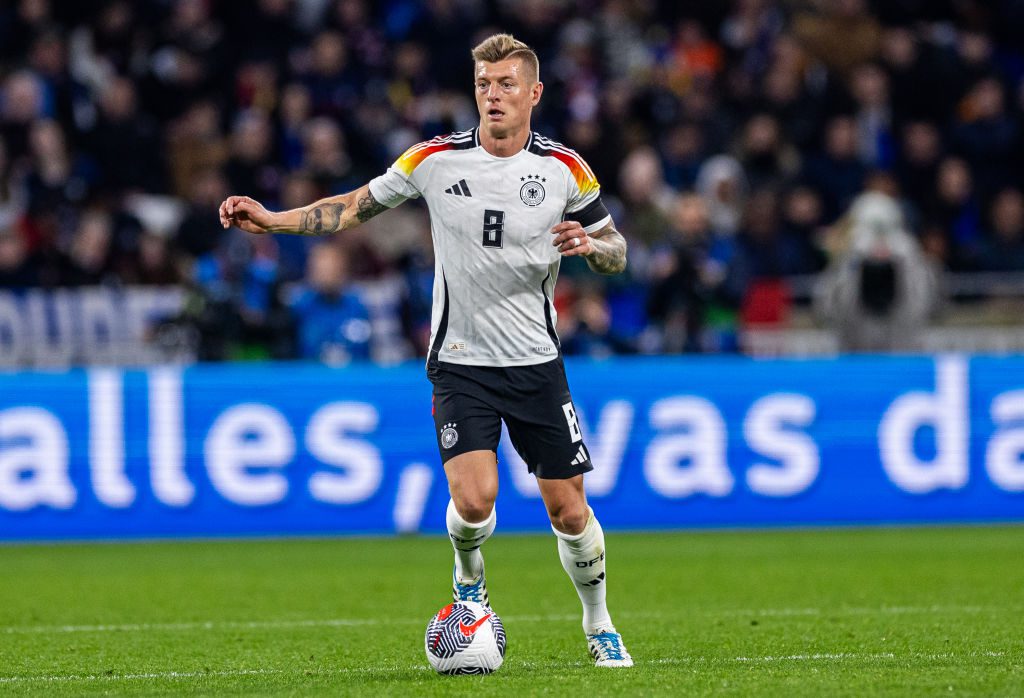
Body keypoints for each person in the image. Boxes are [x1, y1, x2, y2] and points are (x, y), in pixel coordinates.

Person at [218, 34, 632, 668]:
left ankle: (599, 623)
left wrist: (593, 247)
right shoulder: (434, 159)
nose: (493, 96)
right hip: (461, 359)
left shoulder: (565, 169)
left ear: (534, 93)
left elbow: (617, 252)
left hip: (536, 363)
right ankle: (469, 581)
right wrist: (274, 220)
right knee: (474, 499)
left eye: (507, 85)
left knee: (569, 508)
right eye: (484, 84)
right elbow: (353, 207)